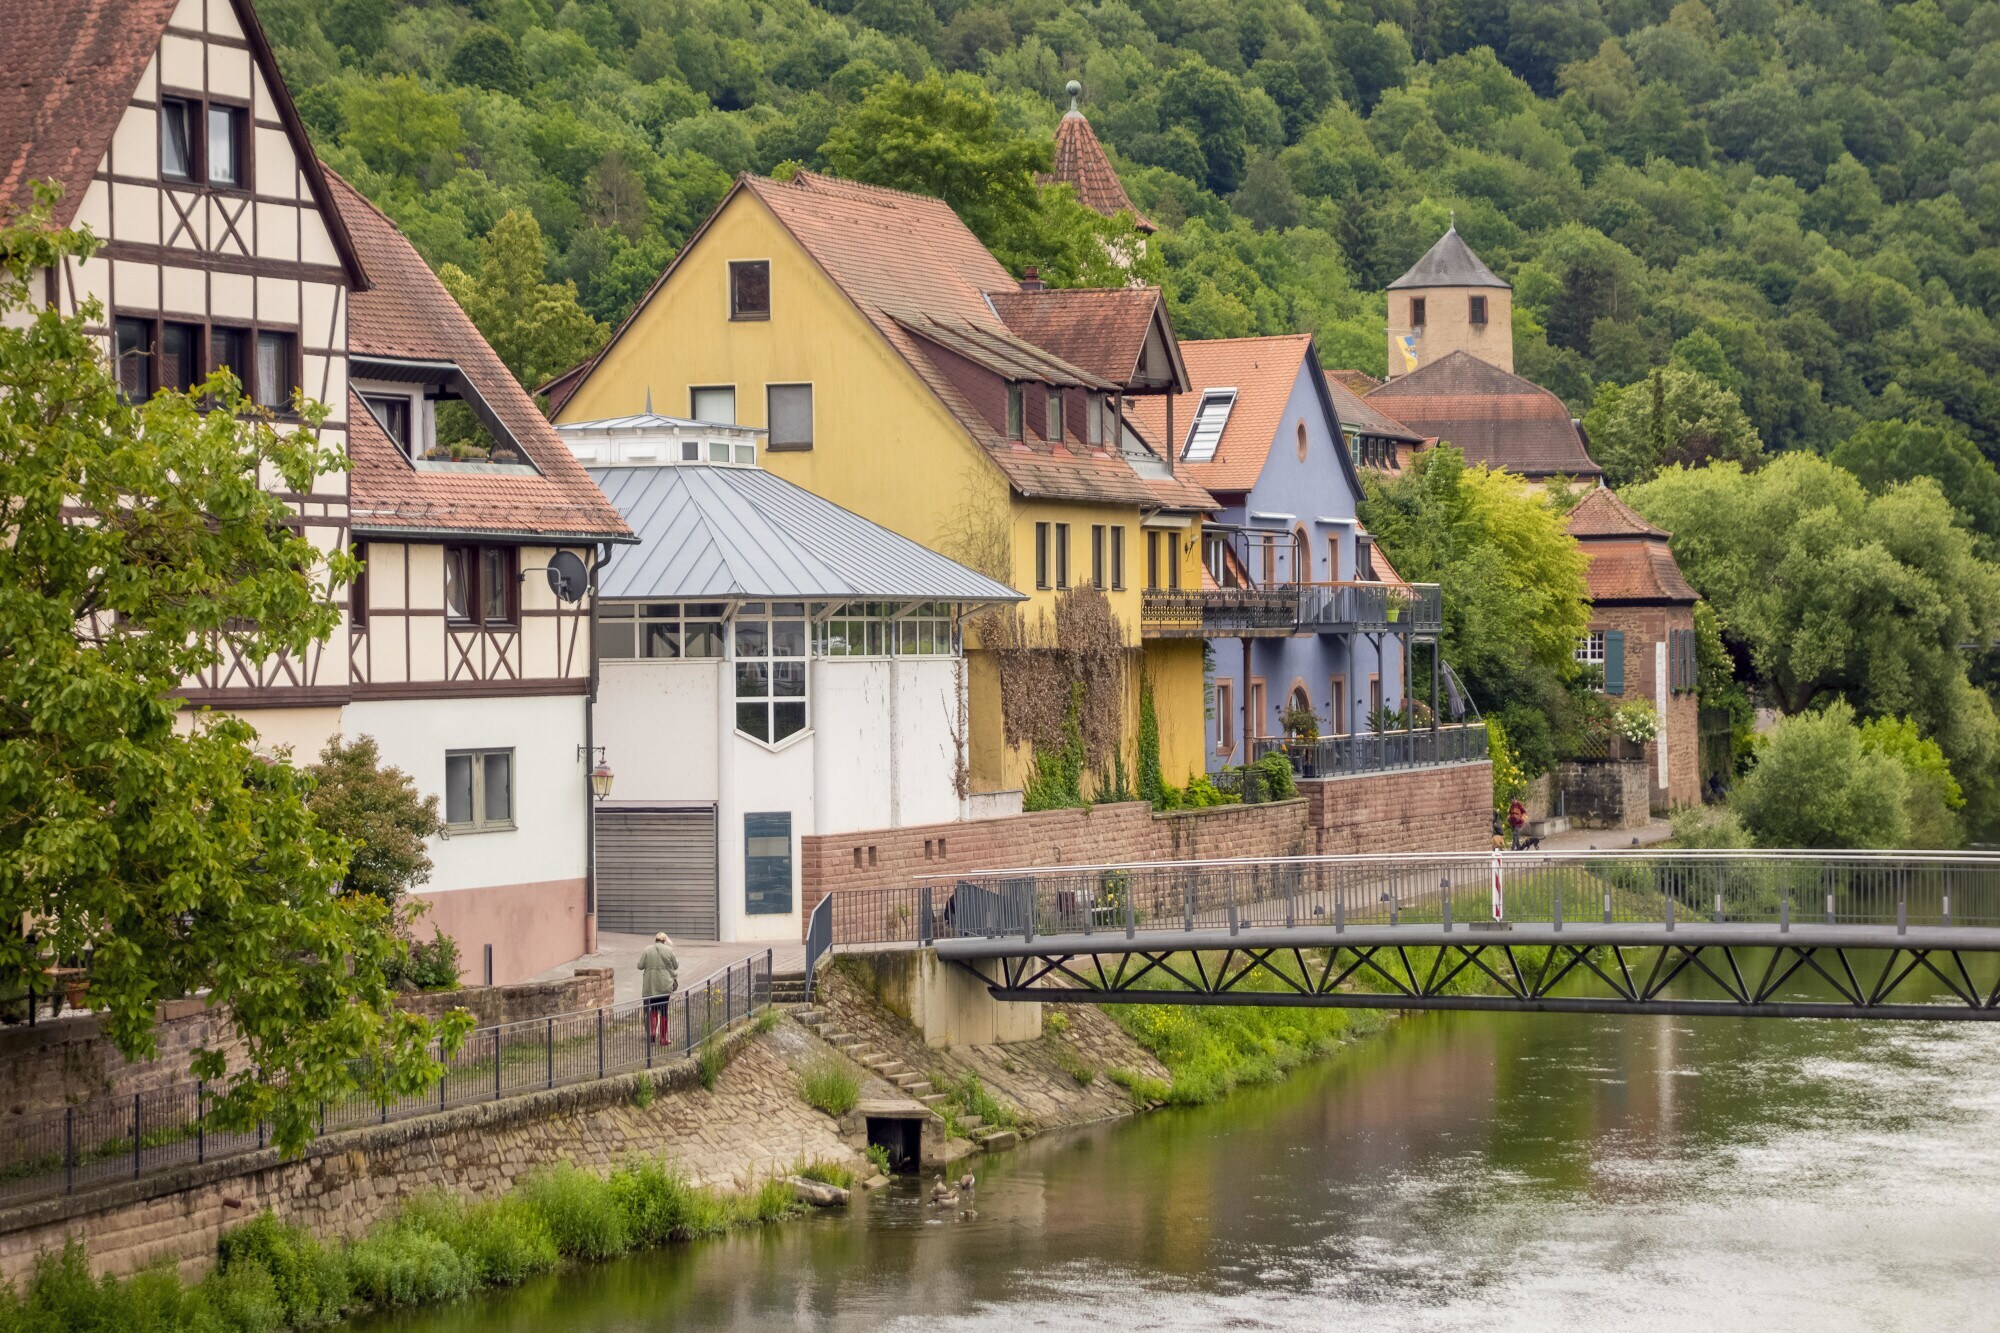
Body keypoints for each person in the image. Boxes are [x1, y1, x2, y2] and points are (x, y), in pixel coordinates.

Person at [638, 932, 678, 1045]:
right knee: (664, 1010)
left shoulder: (647, 950)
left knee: (654, 1009)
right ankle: (663, 1038)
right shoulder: (669, 950)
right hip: (664, 985)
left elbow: (639, 965)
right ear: (664, 941)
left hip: (650, 985)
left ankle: (653, 1033)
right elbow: (676, 965)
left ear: (655, 940)